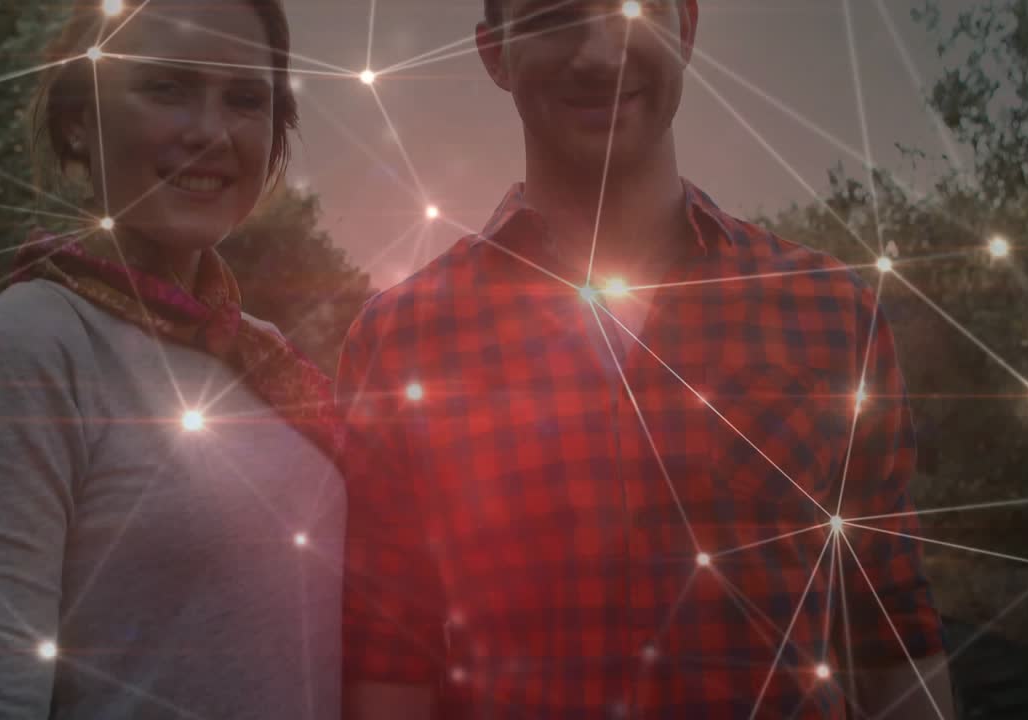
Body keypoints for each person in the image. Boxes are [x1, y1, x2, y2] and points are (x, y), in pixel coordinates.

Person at [338, 1, 955, 718]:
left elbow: (892, 623)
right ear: (495, 55)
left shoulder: (828, 310)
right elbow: (392, 658)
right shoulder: (401, 339)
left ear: (686, 29)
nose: (601, 52)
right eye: (555, 16)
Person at [0, 1, 345, 717]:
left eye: (245, 98)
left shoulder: (263, 353)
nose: (210, 132)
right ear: (80, 118)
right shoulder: (27, 348)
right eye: (167, 86)